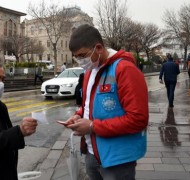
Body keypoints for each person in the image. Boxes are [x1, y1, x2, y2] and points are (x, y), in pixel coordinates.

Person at [64, 24, 149, 180]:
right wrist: (78, 115)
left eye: (82, 55)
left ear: (99, 48)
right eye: (76, 57)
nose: (80, 61)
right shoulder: (90, 71)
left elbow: (139, 119)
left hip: (118, 159)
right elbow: (88, 104)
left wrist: (91, 126)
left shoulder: (125, 70)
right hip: (92, 152)